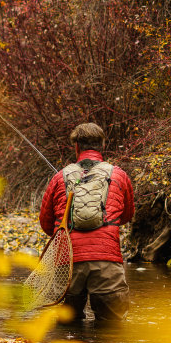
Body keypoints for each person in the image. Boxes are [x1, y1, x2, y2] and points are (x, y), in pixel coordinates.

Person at [38, 122, 135, 325]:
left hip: (67, 263)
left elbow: (47, 224)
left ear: (77, 147)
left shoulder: (59, 178)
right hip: (106, 260)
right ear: (102, 145)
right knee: (112, 330)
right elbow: (126, 216)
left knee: (66, 333)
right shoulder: (119, 175)